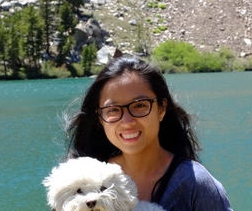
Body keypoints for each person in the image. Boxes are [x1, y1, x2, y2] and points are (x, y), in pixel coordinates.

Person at [65, 57, 232, 210]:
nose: (127, 121)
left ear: (161, 109)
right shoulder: (77, 182)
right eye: (113, 109)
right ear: (100, 118)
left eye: (140, 105)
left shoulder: (196, 184)